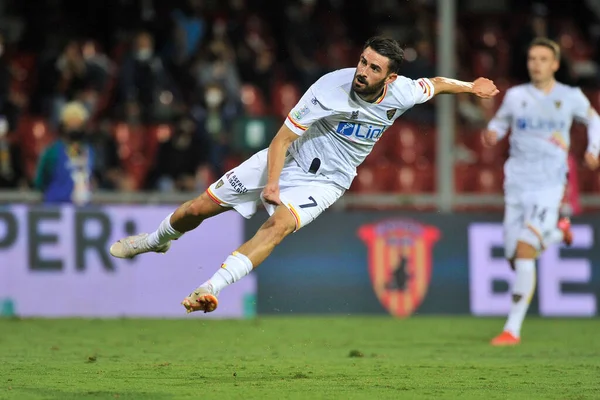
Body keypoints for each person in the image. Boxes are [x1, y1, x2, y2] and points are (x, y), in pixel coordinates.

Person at [109, 36, 499, 314]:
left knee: (277, 226)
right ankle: (155, 241)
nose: (362, 71)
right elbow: (279, 141)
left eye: (373, 67)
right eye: (363, 61)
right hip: (285, 158)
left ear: (390, 78)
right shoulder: (329, 88)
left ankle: (210, 288)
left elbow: (437, 85)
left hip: (327, 181)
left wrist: (471, 86)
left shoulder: (403, 93)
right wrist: (274, 182)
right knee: (198, 208)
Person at [483, 38, 600, 346]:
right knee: (514, 257)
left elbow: (594, 120)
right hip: (517, 183)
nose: (536, 64)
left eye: (543, 59)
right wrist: (492, 133)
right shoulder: (515, 96)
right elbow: (498, 124)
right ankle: (559, 233)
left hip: (549, 185)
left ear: (555, 64)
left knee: (524, 251)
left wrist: (594, 148)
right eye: (532, 58)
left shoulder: (570, 96)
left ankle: (512, 329)